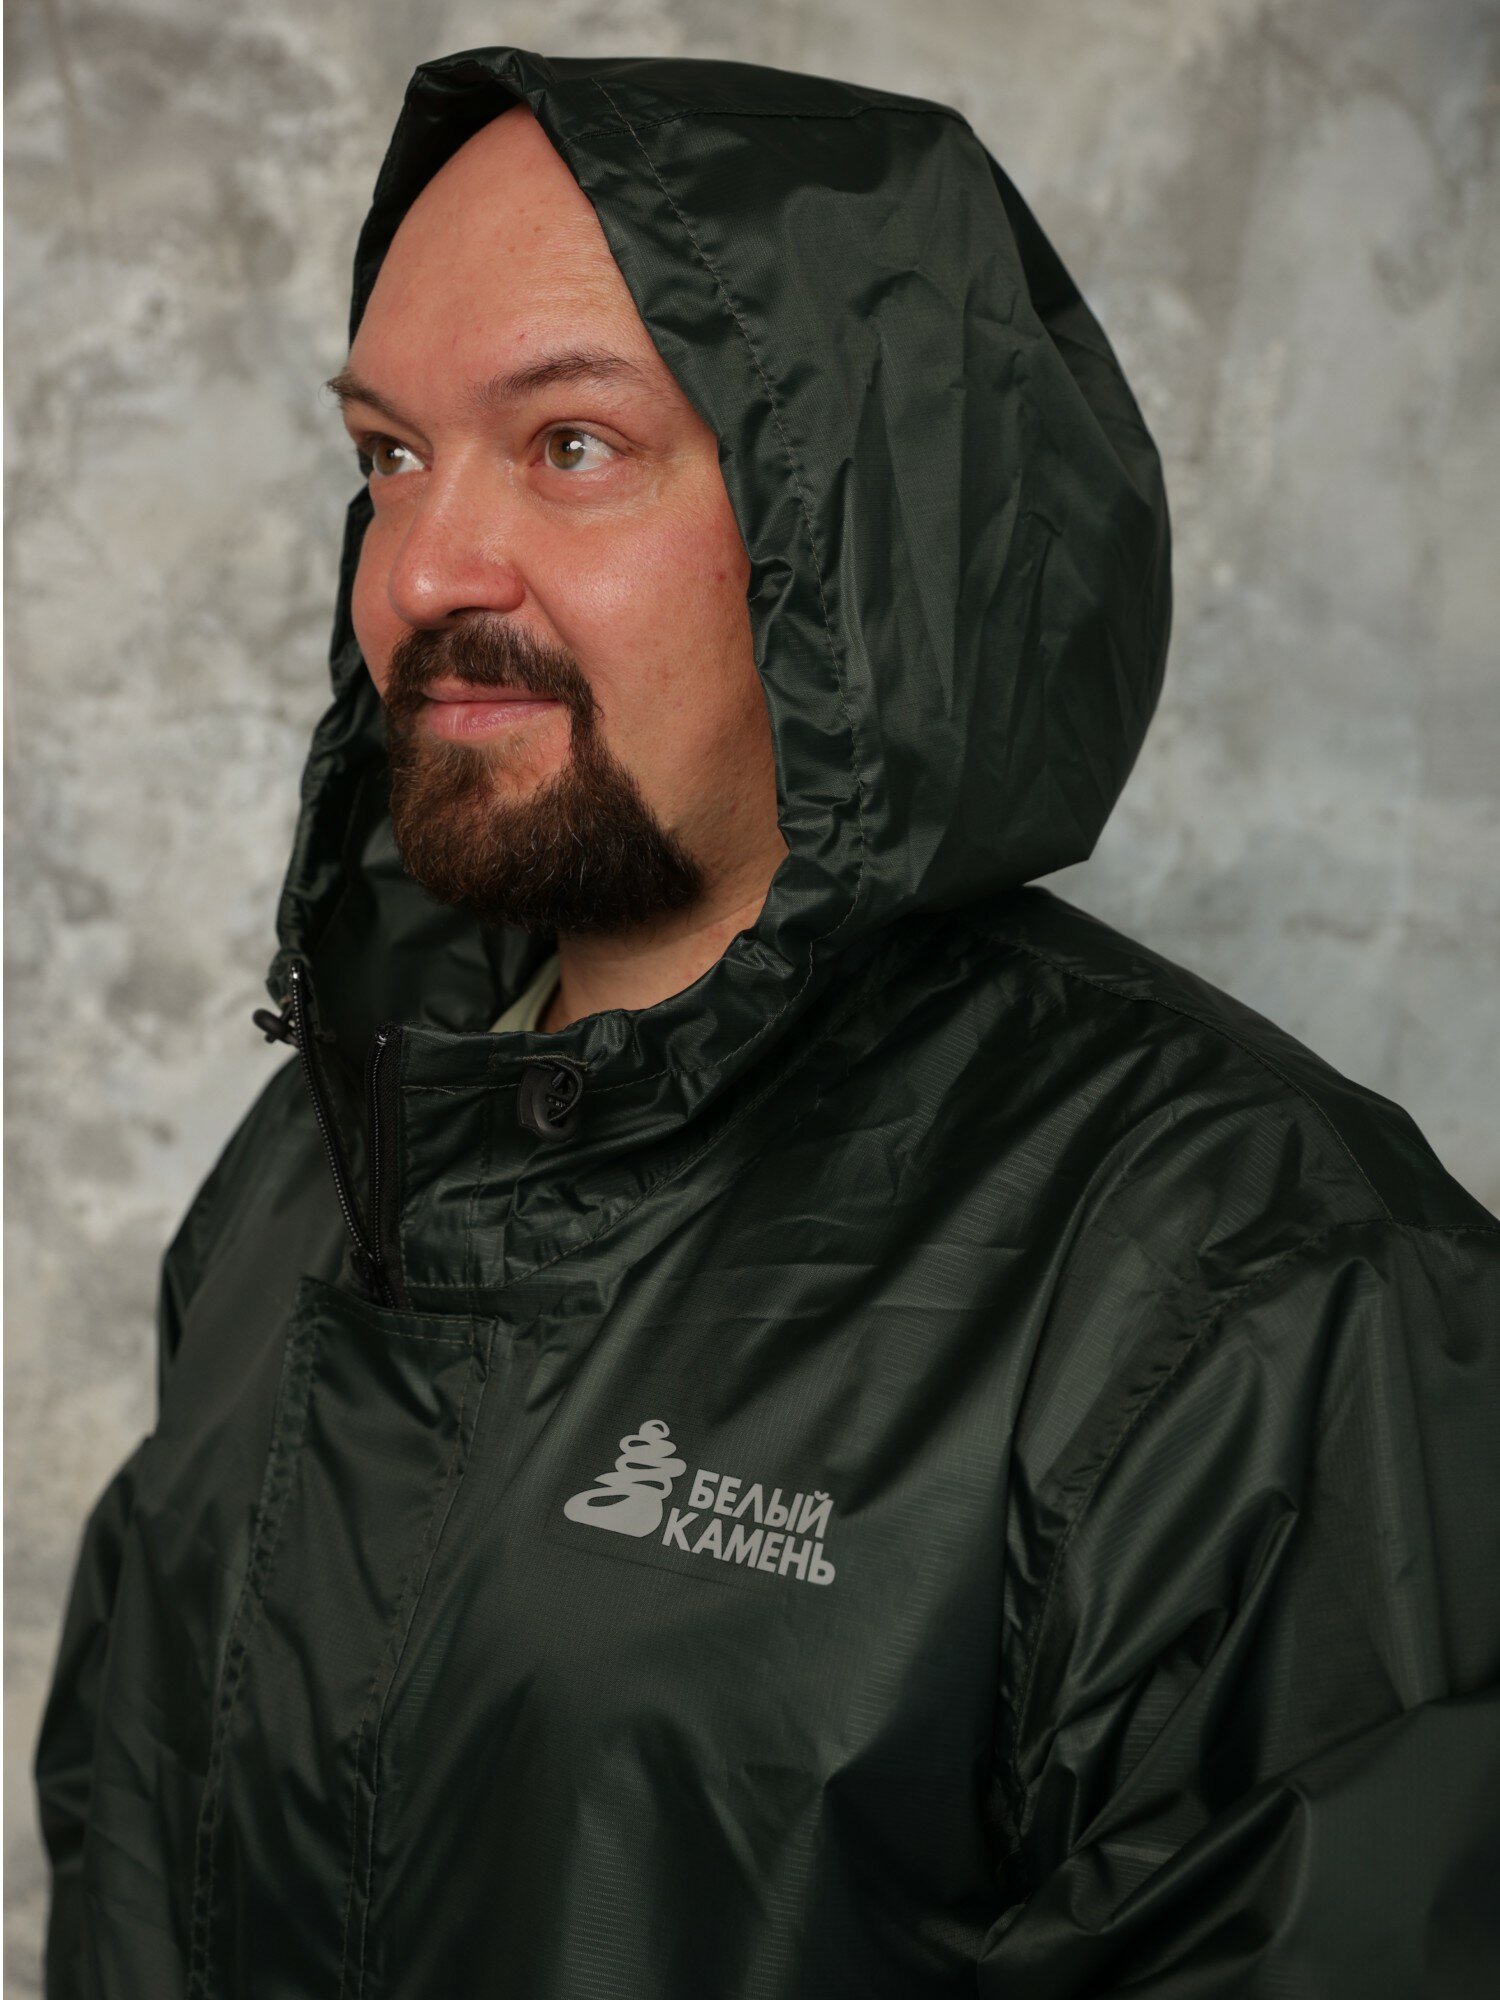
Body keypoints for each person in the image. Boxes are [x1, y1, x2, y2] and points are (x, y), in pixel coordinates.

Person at [34, 46, 1500, 2000]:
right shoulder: (307, 1172)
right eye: (388, 453)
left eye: (571, 443)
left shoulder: (1269, 1297)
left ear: (860, 533)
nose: (425, 565)